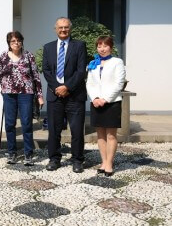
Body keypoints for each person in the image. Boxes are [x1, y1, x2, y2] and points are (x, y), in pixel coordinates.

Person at [42, 17, 87, 173]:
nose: (63, 30)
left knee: (76, 130)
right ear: (55, 29)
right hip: (55, 96)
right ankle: (54, 159)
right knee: (54, 130)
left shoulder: (79, 46)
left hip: (75, 95)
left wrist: (67, 86)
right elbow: (46, 71)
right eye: (60, 27)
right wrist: (58, 88)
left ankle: (77, 160)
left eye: (66, 27)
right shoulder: (48, 48)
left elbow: (81, 70)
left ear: (70, 29)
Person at [0, 31, 44, 166]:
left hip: (26, 93)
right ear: (9, 43)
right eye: (13, 41)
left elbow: (36, 76)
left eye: (18, 40)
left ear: (22, 42)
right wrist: (3, 88)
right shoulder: (3, 56)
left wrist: (40, 95)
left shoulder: (29, 56)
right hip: (9, 94)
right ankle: (12, 152)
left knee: (26, 123)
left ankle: (28, 153)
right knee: (10, 124)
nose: (16, 43)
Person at [86, 36, 126, 177]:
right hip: (96, 102)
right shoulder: (93, 63)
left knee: (111, 135)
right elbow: (89, 83)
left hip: (112, 102)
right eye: (99, 46)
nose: (102, 49)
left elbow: (119, 83)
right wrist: (95, 98)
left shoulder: (117, 62)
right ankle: (103, 161)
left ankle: (109, 163)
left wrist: (105, 99)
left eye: (105, 46)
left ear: (111, 47)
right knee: (100, 135)